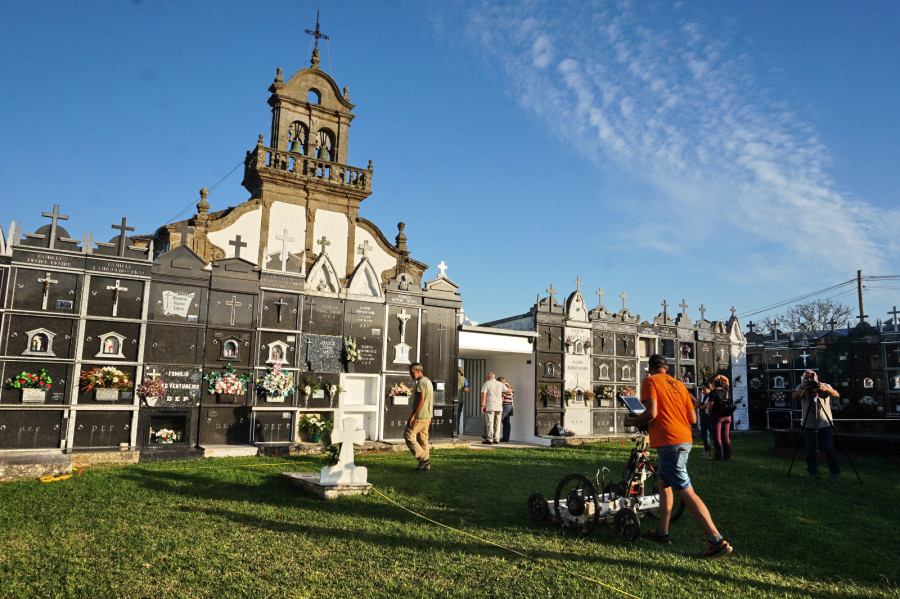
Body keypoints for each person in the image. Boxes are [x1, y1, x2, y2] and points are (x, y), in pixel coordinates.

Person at [624, 354, 733, 559]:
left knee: (685, 489)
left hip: (669, 441)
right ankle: (662, 531)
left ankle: (716, 539)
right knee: (663, 482)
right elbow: (692, 418)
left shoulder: (650, 381)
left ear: (650, 368)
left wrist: (631, 422)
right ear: (667, 368)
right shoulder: (679, 385)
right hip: (684, 438)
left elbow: (652, 413)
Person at [792, 370, 841, 480]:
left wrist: (826, 389)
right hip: (809, 424)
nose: (809, 380)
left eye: (811, 378)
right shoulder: (801, 387)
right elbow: (795, 397)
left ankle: (835, 473)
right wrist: (803, 387)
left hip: (824, 424)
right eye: (807, 378)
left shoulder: (824, 385)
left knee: (829, 448)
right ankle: (812, 472)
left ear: (816, 378)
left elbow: (836, 394)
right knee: (810, 449)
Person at [404, 362, 433, 471]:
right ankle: (426, 466)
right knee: (423, 440)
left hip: (420, 416)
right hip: (427, 416)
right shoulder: (428, 381)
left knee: (408, 435)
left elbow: (421, 400)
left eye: (412, 373)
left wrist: (413, 415)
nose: (411, 375)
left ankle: (423, 459)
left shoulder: (421, 382)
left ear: (418, 371)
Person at [707, 375, 732, 461]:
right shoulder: (726, 391)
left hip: (717, 416)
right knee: (726, 436)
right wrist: (720, 376)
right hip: (727, 415)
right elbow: (727, 379)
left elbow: (710, 405)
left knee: (717, 436)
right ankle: (727, 455)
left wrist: (709, 414)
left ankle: (718, 455)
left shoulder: (713, 392)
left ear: (714, 383)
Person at [480, 372, 504, 444]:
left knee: (490, 423)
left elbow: (483, 395)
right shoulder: (500, 384)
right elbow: (508, 390)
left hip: (490, 406)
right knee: (498, 423)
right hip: (499, 407)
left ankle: (490, 439)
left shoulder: (487, 383)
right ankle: (496, 439)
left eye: (486, 377)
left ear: (488, 377)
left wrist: (482, 405)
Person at [696, 382, 712, 456]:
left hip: (709, 415)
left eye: (704, 388)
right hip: (703, 415)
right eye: (701, 388)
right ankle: (707, 449)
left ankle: (718, 449)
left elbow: (707, 405)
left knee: (711, 432)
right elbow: (696, 404)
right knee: (704, 434)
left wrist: (701, 407)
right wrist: (700, 396)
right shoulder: (703, 396)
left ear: (709, 388)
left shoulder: (711, 395)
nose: (703, 390)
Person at [497, 376, 514, 442]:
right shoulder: (510, 387)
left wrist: (499, 405)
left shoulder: (504, 387)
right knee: (506, 422)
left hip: (505, 406)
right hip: (509, 406)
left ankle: (494, 437)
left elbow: (502, 397)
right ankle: (505, 438)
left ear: (500, 382)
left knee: (499, 420)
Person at [457, 367, 469, 436]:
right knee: (457, 417)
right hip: (459, 400)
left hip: (449, 400)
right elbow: (467, 389)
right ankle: (456, 432)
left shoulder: (449, 377)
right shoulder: (463, 379)